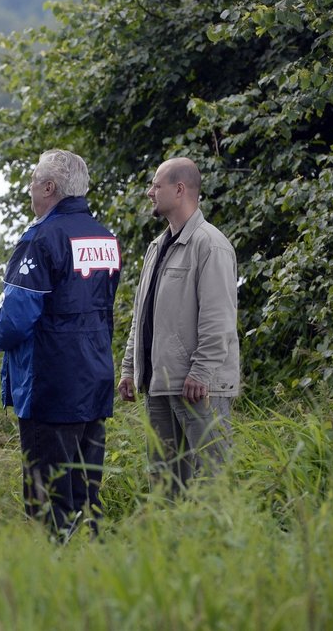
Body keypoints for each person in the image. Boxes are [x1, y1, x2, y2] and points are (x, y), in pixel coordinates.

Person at [0, 149, 121, 538]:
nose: (29, 188)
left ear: (49, 187)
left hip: (52, 383)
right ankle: (90, 559)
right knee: (86, 488)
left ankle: (50, 569)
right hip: (95, 378)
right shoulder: (105, 237)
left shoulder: (41, 239)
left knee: (46, 493)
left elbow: (18, 316)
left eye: (32, 181)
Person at [117, 157, 239, 496]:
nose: (150, 192)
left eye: (157, 185)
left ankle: (217, 545)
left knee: (212, 480)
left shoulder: (210, 245)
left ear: (179, 189)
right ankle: (173, 546)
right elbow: (143, 316)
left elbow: (219, 319)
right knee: (165, 485)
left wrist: (201, 373)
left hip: (199, 389)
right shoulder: (157, 247)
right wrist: (130, 369)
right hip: (160, 384)